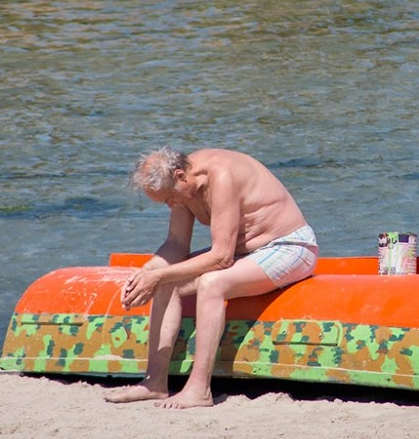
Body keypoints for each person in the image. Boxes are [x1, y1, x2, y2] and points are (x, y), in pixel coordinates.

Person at [103, 147, 318, 409]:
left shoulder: (222, 177)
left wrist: (158, 274)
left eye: (170, 198)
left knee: (211, 283)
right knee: (165, 282)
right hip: (243, 252)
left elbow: (222, 257)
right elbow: (176, 244)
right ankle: (154, 383)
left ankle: (199, 390)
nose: (171, 205)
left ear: (180, 176)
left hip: (289, 247)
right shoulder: (183, 187)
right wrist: (146, 274)